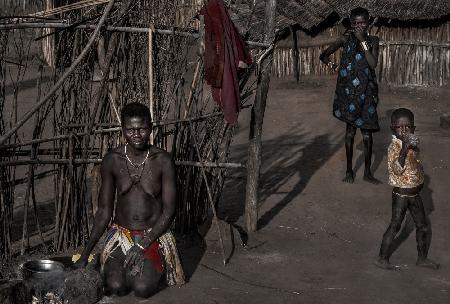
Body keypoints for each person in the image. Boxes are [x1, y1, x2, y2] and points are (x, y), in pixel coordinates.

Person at [75, 102, 185, 298]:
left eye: (142, 129)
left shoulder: (163, 161)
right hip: (120, 236)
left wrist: (143, 243)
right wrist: (86, 253)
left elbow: (169, 210)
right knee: (116, 286)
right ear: (123, 130)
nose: (137, 134)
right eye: (131, 129)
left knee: (142, 289)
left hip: (152, 236)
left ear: (150, 128)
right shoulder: (112, 160)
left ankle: (152, 265)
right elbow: (104, 211)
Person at [320, 7, 381, 184]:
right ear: (351, 24)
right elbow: (323, 55)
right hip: (349, 95)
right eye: (356, 23)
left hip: (368, 94)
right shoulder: (344, 39)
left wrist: (363, 41)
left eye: (363, 22)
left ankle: (368, 173)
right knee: (350, 133)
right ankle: (349, 171)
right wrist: (335, 67)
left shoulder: (373, 40)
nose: (360, 26)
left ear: (369, 22)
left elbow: (372, 63)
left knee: (368, 135)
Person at [375, 108, 439, 270]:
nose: (404, 130)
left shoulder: (411, 143)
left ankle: (422, 258)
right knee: (395, 226)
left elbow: (415, 164)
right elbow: (397, 170)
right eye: (399, 127)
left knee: (423, 226)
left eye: (408, 127)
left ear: (413, 128)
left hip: (414, 193)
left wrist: (413, 148)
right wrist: (404, 149)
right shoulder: (394, 148)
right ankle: (382, 258)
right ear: (392, 129)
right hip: (401, 195)